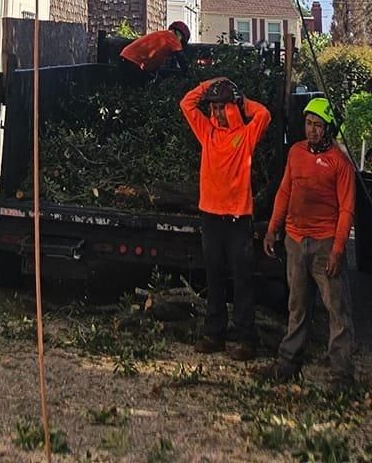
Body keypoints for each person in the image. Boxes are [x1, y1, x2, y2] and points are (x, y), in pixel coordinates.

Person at [264, 96, 357, 393]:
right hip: (295, 239)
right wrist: (272, 229)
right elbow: (284, 191)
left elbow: (347, 210)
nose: (312, 130)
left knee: (336, 309)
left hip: (325, 243)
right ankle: (289, 362)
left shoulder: (340, 163)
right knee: (297, 305)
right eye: (308, 124)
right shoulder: (296, 153)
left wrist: (338, 249)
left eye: (318, 125)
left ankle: (341, 375)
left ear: (329, 128)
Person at [180, 76, 271, 357]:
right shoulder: (207, 132)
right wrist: (210, 85)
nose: (218, 112)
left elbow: (264, 114)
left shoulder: (245, 136)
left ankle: (246, 338)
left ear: (233, 107)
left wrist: (243, 103)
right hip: (210, 217)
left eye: (223, 107)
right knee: (214, 277)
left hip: (237, 219)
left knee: (242, 279)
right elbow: (187, 103)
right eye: (214, 108)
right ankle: (214, 333)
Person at [120, 21, 191, 77]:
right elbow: (182, 59)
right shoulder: (172, 38)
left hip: (128, 56)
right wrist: (189, 74)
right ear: (180, 35)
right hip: (134, 61)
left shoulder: (163, 35)